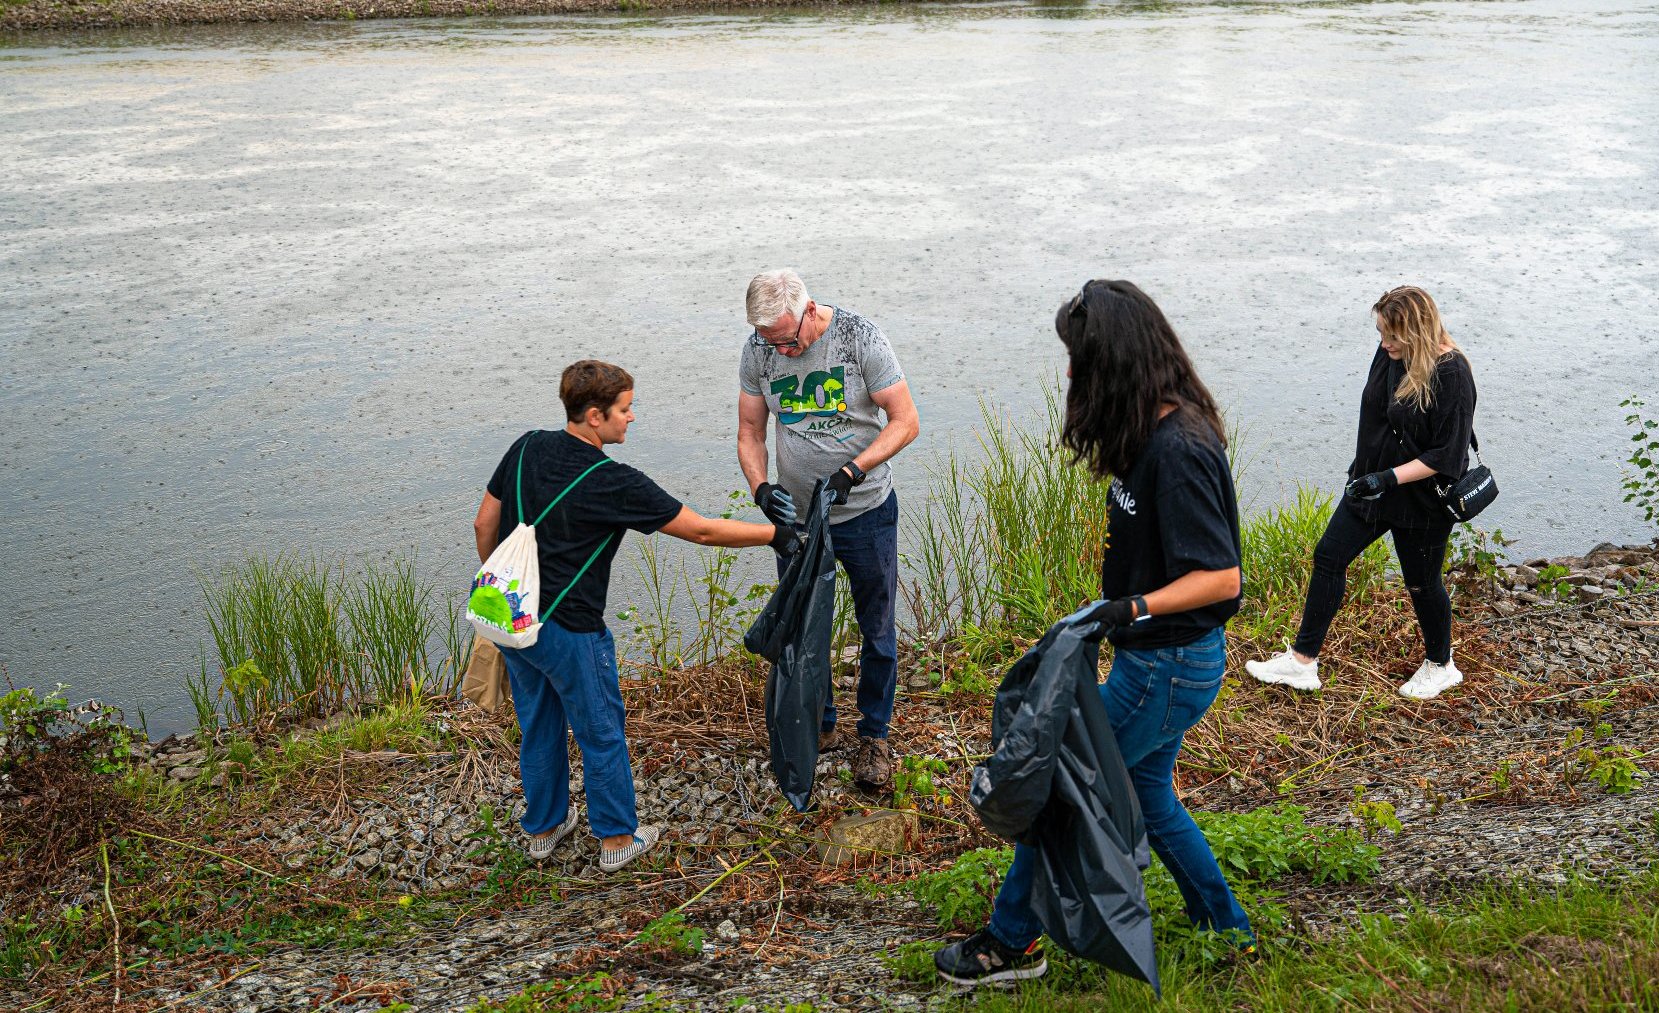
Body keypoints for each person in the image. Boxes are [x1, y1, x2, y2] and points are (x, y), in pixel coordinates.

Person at [934, 280, 1254, 986]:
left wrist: (1129, 608)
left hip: (1166, 668)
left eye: (1079, 359)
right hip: (1161, 665)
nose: (1072, 373)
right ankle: (1228, 930)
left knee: (1059, 793)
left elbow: (1223, 577)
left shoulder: (1180, 448)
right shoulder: (1152, 431)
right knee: (1147, 796)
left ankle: (1010, 943)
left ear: (1119, 360)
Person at [475, 360, 801, 868]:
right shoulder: (612, 482)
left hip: (513, 617)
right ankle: (616, 841)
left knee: (537, 722)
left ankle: (542, 829)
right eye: (624, 410)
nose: (631, 419)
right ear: (593, 416)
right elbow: (702, 531)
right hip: (570, 629)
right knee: (600, 729)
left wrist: (513, 588)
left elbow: (483, 524)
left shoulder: (526, 447)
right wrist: (776, 534)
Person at [736, 268, 920, 793]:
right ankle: (822, 723)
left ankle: (875, 735)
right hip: (797, 518)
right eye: (770, 342)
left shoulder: (859, 338)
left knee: (877, 628)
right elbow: (750, 432)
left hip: (865, 510)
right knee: (802, 625)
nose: (781, 353)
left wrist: (852, 471)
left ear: (810, 311)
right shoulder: (759, 350)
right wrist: (760, 487)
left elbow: (905, 421)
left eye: (787, 341)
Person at [1246, 285, 1478, 701]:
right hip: (1370, 487)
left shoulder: (1452, 373)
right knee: (1328, 557)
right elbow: (1375, 415)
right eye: (1381, 333)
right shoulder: (1390, 354)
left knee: (1422, 584)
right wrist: (1365, 472)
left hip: (1421, 499)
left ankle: (1441, 666)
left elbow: (1446, 455)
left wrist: (1386, 478)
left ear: (1419, 331)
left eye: (1393, 335)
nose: (1384, 343)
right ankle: (1302, 663)